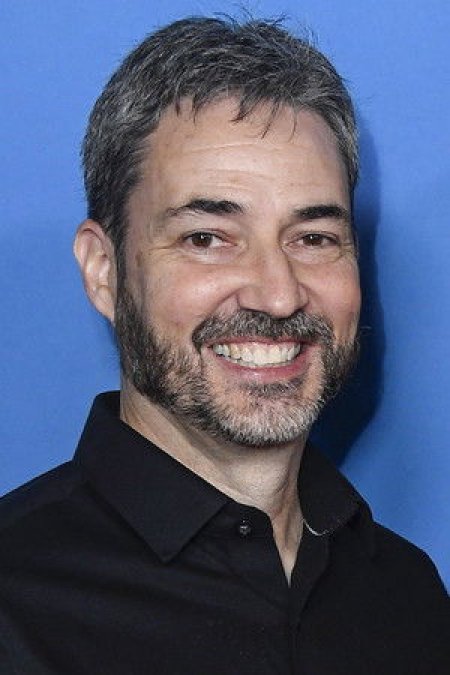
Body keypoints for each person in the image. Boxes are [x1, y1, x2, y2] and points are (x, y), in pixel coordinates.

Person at [0, 16, 448, 675]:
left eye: (314, 238)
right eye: (207, 238)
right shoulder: (14, 605)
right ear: (105, 271)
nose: (278, 295)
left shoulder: (409, 594)